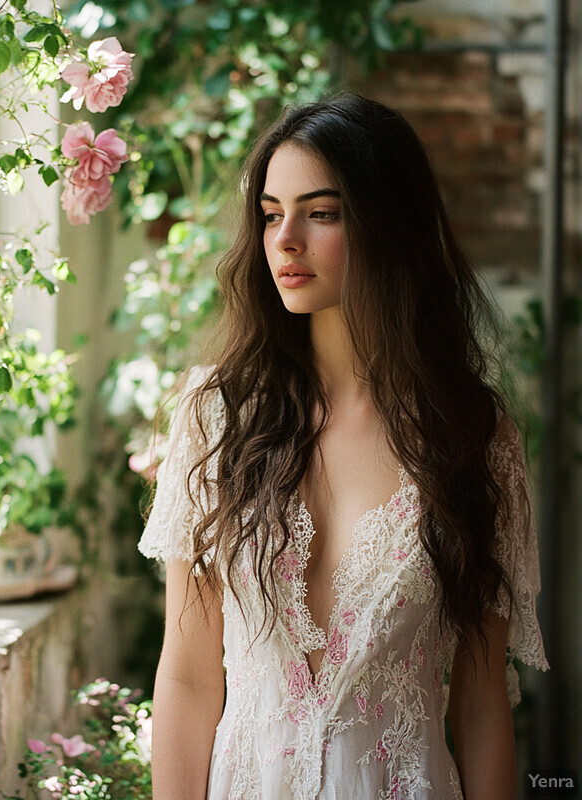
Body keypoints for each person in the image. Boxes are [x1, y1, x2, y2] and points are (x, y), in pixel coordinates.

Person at [137, 93, 548, 800]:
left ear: (389, 225)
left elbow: (480, 706)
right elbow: (187, 676)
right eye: (271, 214)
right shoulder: (217, 416)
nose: (284, 239)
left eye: (319, 213)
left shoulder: (475, 439)